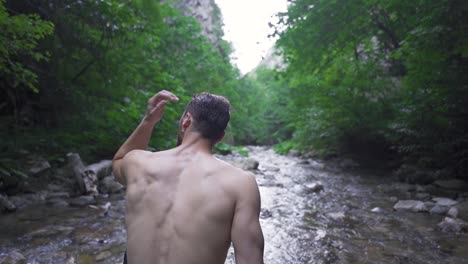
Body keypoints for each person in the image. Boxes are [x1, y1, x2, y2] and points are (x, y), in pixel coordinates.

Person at [112, 90, 264, 264]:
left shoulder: (138, 162)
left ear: (186, 120)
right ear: (220, 137)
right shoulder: (241, 184)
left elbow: (118, 160)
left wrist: (149, 120)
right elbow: (249, 258)